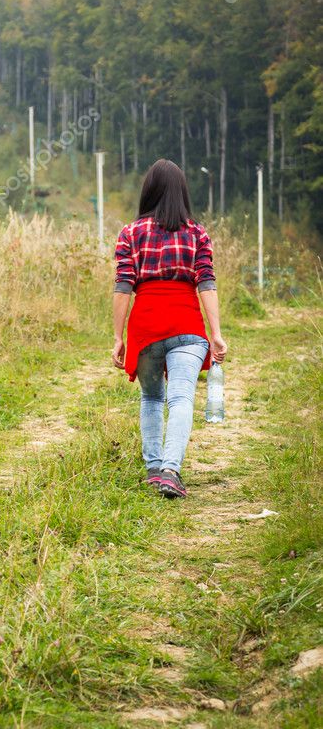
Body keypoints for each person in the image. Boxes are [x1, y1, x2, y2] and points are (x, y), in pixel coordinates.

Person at [111, 159, 227, 499]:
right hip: (187, 325)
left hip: (146, 326)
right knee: (180, 398)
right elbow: (206, 283)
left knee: (151, 397)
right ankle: (170, 472)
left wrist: (118, 337)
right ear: (182, 193)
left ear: (149, 191)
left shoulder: (131, 233)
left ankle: (153, 468)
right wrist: (216, 332)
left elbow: (123, 286)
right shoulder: (196, 233)